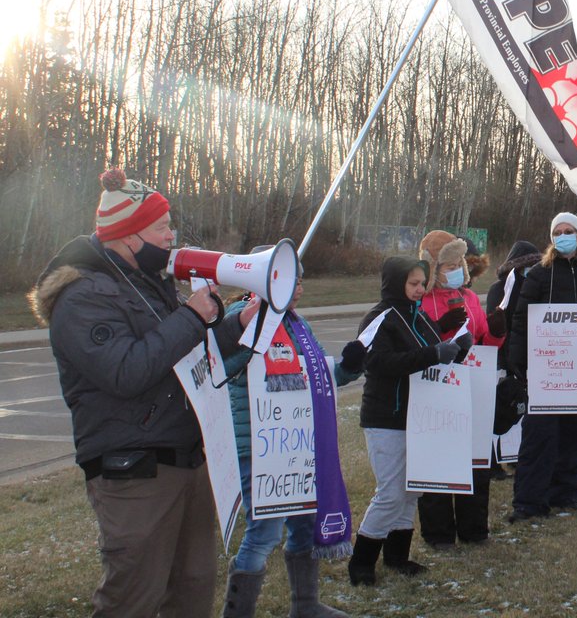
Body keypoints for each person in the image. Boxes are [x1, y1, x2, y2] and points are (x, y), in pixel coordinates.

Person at [29, 168, 253, 618]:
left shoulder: (148, 282)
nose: (172, 236)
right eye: (162, 227)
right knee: (133, 596)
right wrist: (191, 316)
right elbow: (126, 371)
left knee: (191, 589)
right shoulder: (81, 297)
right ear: (130, 236)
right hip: (135, 470)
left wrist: (236, 325)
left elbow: (186, 354)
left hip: (186, 458)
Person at [220, 253, 362, 618]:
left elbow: (317, 375)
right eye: (289, 280)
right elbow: (222, 372)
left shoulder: (297, 323)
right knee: (264, 534)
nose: (297, 289)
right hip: (258, 446)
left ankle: (305, 605)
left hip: (297, 446)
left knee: (304, 524)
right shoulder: (242, 318)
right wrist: (253, 335)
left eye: (301, 281)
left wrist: (348, 368)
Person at [346, 257, 469, 586]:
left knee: (411, 490)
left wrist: (457, 348)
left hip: (419, 416)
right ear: (395, 282)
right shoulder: (380, 318)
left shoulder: (419, 315)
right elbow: (379, 362)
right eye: (412, 283)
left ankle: (397, 555)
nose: (419, 289)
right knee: (390, 492)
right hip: (386, 416)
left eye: (421, 283)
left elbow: (431, 350)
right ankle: (361, 561)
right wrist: (435, 354)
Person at [506, 212, 577, 522]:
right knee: (539, 437)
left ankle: (565, 493)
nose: (564, 236)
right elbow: (521, 319)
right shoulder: (539, 273)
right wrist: (518, 361)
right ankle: (528, 502)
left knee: (574, 435)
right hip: (546, 370)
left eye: (569, 231)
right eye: (558, 231)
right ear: (552, 238)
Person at [415, 231, 505, 550]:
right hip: (435, 391)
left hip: (472, 387)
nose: (455, 270)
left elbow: (482, 342)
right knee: (438, 460)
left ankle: (474, 528)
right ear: (431, 268)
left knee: (475, 460)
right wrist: (439, 329)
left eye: (458, 264)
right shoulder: (420, 301)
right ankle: (438, 533)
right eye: (447, 265)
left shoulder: (468, 297)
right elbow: (413, 345)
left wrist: (496, 333)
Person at [485, 240, 542, 480]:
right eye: (528, 266)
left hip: (532, 355)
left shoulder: (538, 287)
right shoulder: (500, 289)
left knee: (521, 411)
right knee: (499, 411)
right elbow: (497, 324)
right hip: (503, 357)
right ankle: (493, 462)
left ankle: (518, 457)